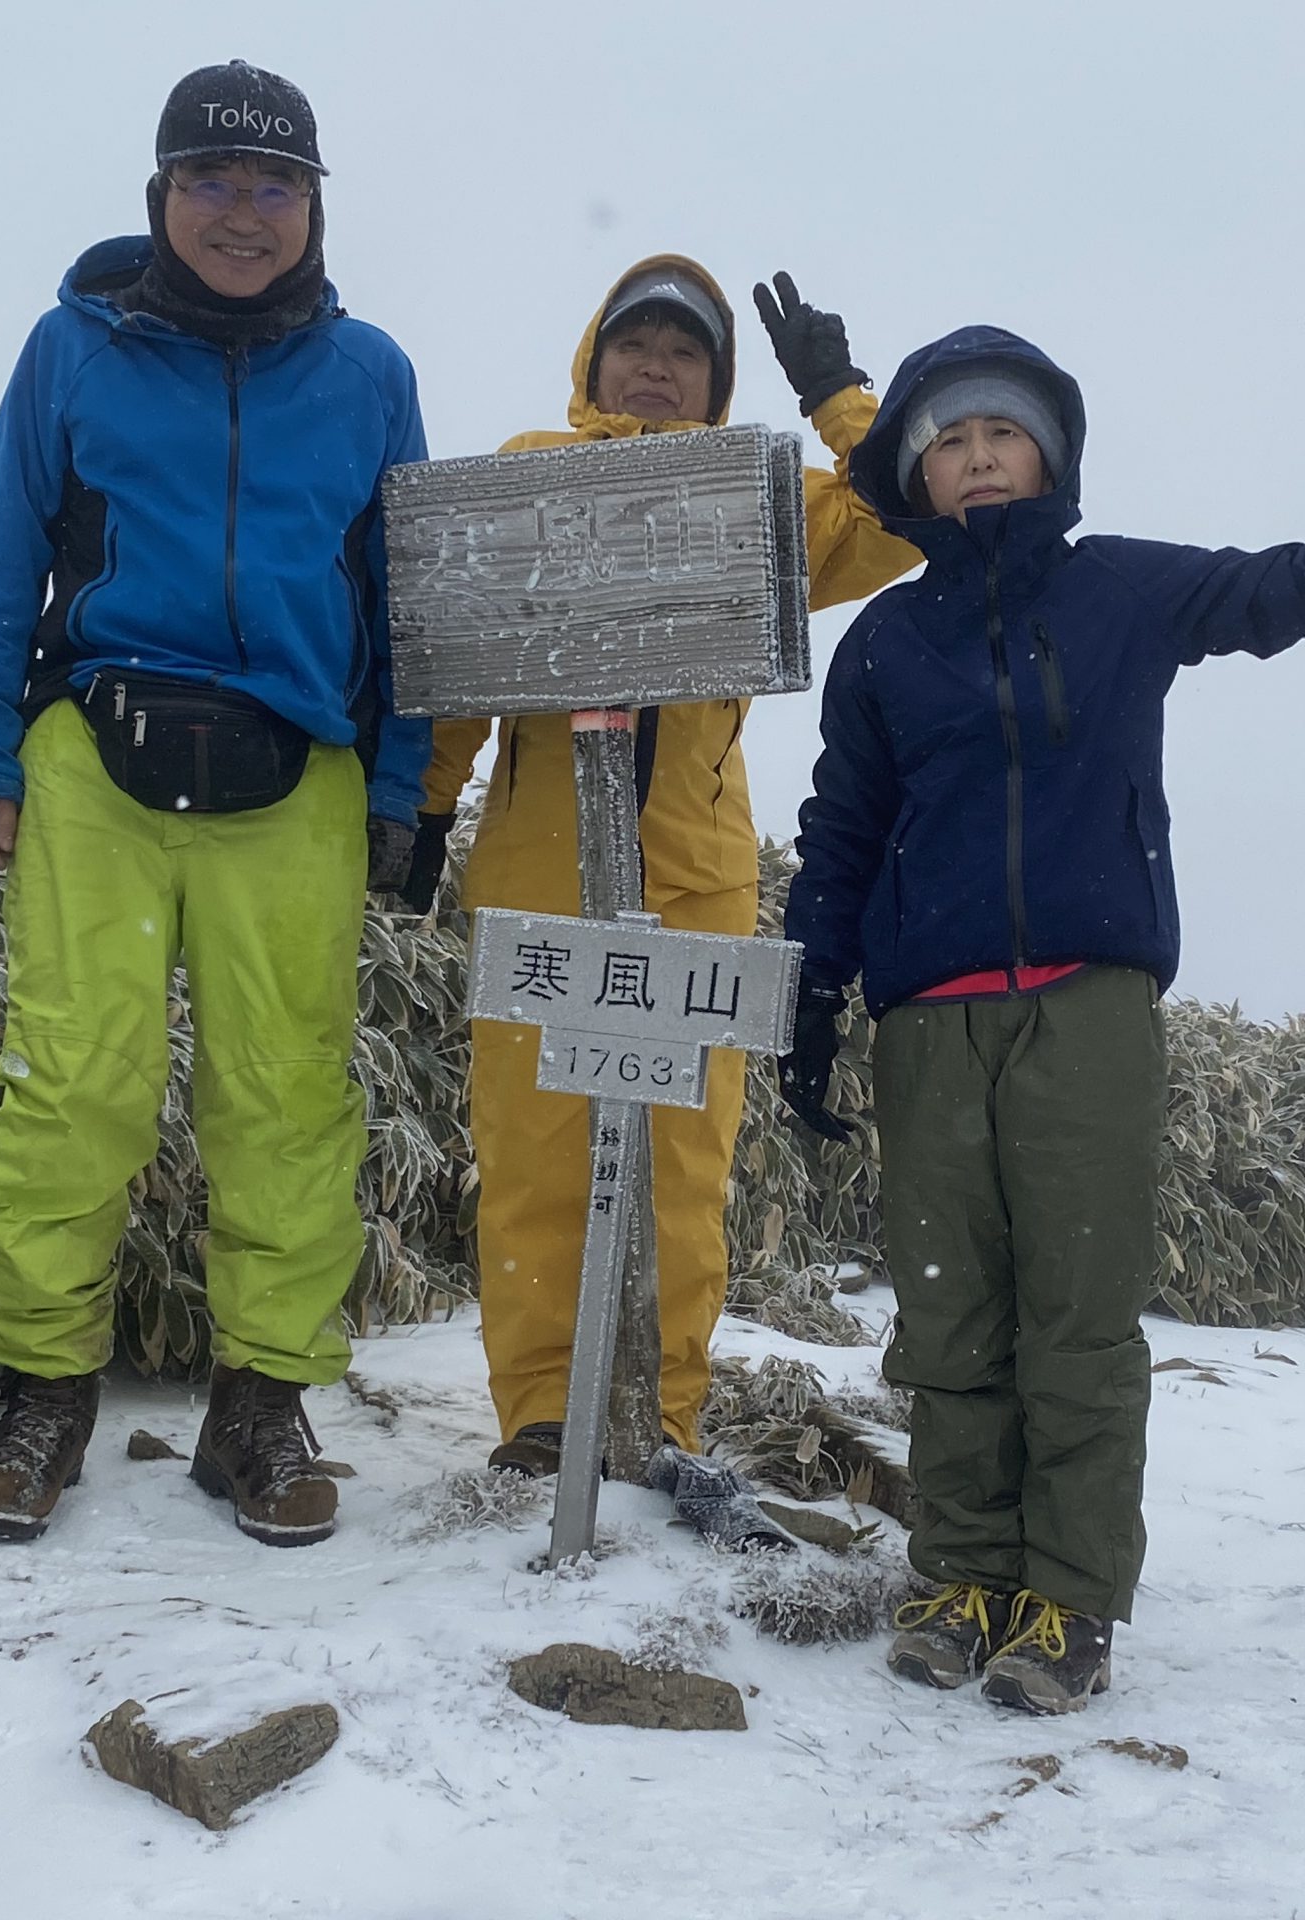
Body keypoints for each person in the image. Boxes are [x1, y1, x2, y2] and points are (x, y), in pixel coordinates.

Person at [779, 306, 1305, 1710]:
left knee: (1078, 1325)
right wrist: (810, 995)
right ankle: (961, 1575)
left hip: (1088, 1010)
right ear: (913, 472)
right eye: (949, 440)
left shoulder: (1118, 590)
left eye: (1005, 432)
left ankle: (1067, 1602)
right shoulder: (883, 645)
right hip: (928, 1024)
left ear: (1050, 456)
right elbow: (842, 832)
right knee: (949, 1324)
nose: (979, 456)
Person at [0, 60, 432, 1548]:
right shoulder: (71, 349)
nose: (242, 211)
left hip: (297, 766)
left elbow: (406, 600)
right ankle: (41, 1386)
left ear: (315, 209)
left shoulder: (371, 374)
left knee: (288, 1095)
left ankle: (260, 1403)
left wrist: (399, 786)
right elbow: (0, 554)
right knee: (73, 1080)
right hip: (96, 749)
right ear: (160, 195)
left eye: (276, 185)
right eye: (210, 179)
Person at [401, 258, 917, 1474]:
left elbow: (897, 517)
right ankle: (543, 1414)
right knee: (536, 1155)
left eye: (687, 353)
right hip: (538, 869)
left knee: (681, 1164)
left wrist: (839, 396)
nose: (657, 367)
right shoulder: (530, 473)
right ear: (593, 360)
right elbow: (457, 648)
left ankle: (659, 1416)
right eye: (635, 344)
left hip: (696, 877)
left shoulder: (757, 497)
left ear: (717, 384)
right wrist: (420, 811)